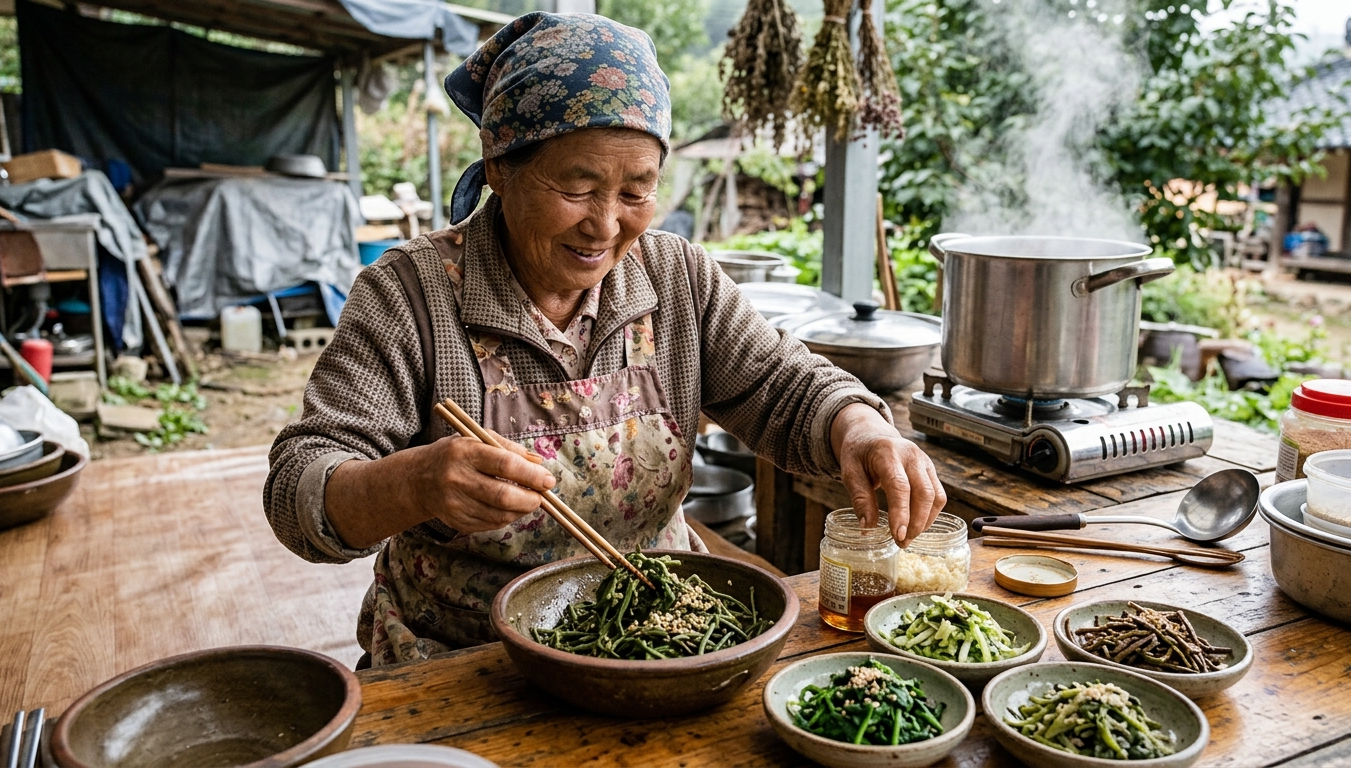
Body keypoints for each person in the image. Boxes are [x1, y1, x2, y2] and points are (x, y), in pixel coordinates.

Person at [264, 12, 946, 667]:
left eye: (636, 192)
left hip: (656, 640)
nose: (606, 225)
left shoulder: (676, 276)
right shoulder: (409, 294)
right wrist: (410, 486)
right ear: (499, 167)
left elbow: (781, 385)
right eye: (578, 187)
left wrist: (859, 426)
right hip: (463, 659)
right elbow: (299, 487)